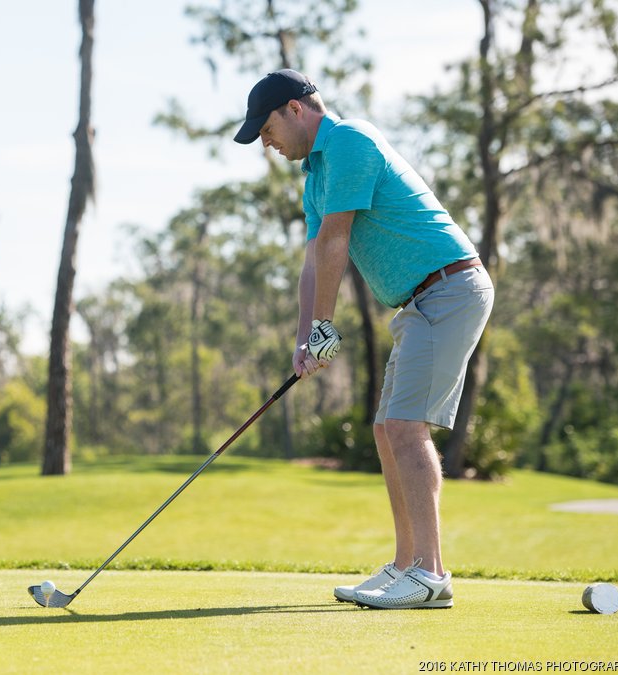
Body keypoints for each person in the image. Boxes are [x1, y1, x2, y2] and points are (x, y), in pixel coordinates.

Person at [233, 70, 494, 609]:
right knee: (385, 430)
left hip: (449, 287)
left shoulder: (350, 140)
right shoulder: (316, 177)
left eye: (267, 129)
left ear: (295, 109)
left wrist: (327, 329)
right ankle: (406, 565)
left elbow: (336, 241)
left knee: (404, 427)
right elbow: (312, 261)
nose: (267, 142)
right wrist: (307, 338)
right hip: (420, 302)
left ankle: (431, 575)